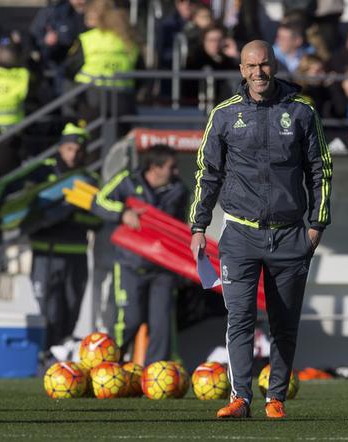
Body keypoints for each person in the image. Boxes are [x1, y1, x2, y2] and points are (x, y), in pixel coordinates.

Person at [189, 40, 332, 419]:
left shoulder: (302, 111)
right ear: (241, 69)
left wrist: (316, 226)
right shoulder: (223, 115)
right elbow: (208, 173)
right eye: (251, 66)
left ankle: (276, 399)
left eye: (265, 65)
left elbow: (321, 169)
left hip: (290, 235)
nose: (259, 72)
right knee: (239, 319)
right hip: (239, 235)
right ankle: (240, 399)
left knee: (284, 324)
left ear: (275, 65)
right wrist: (199, 225)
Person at [92, 145, 188, 364]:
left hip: (163, 269)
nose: (176, 172)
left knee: (162, 324)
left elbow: (184, 227)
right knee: (128, 321)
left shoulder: (180, 190)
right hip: (130, 264)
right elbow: (99, 201)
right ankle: (108, 366)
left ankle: (157, 374)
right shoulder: (127, 181)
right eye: (171, 167)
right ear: (155, 167)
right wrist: (122, 213)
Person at [27, 123, 100, 357]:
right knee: (49, 311)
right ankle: (46, 355)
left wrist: (68, 213)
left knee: (71, 309)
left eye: (78, 150)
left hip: (76, 252)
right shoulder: (41, 173)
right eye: (69, 148)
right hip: (44, 252)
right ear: (60, 149)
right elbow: (28, 209)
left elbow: (97, 219)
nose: (73, 154)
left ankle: (61, 356)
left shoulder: (89, 179)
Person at [64, 0, 142, 122]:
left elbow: (69, 68)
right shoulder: (129, 41)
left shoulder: (88, 39)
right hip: (123, 103)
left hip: (92, 102)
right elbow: (141, 75)